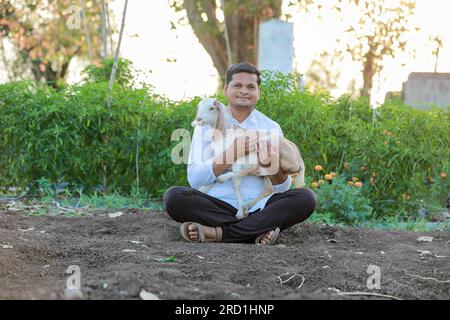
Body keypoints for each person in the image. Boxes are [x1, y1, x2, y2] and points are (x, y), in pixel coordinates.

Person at [163, 62, 317, 245]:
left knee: (305, 198)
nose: (244, 91)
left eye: (251, 87)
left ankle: (217, 233)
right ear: (226, 89)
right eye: (238, 85)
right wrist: (232, 153)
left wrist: (272, 166)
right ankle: (254, 231)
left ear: (258, 93)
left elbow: (282, 188)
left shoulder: (271, 127)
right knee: (174, 197)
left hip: (258, 206)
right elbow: (195, 179)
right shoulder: (205, 123)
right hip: (217, 204)